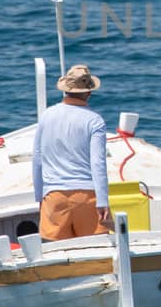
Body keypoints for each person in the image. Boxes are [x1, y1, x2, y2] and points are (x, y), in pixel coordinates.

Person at [31, 63, 109, 241]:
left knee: (53, 254)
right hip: (87, 196)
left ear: (65, 89)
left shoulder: (47, 116)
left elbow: (37, 159)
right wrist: (103, 201)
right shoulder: (95, 121)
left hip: (54, 196)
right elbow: (98, 163)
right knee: (96, 252)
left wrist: (39, 197)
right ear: (89, 92)